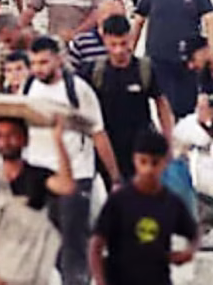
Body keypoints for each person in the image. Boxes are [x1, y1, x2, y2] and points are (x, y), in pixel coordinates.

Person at [23, 35, 122, 285]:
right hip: (41, 175)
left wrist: (114, 177)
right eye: (34, 63)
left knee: (73, 240)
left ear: (59, 59)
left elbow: (98, 134)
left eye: (44, 62)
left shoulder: (78, 90)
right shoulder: (29, 87)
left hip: (77, 174)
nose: (38, 69)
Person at [0, 117, 76, 285]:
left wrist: (58, 141)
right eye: (0, 136)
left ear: (25, 140)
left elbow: (67, 186)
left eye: (12, 135)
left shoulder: (37, 177)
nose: (6, 141)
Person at [90, 132, 199, 285]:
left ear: (165, 162)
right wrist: (101, 281)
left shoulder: (171, 202)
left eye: (155, 163)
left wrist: (188, 252)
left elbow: (193, 232)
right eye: (143, 161)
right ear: (135, 160)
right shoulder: (119, 201)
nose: (148, 169)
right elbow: (96, 245)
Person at [84, 15, 175, 182]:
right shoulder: (94, 71)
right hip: (107, 149)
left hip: (140, 148)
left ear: (130, 39)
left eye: (123, 43)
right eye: (113, 44)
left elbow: (162, 105)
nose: (119, 50)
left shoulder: (145, 69)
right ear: (104, 40)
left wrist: (168, 141)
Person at [132, 0, 213, 119]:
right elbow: (138, 21)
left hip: (189, 62)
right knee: (164, 108)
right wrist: (131, 52)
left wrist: (210, 50)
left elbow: (209, 19)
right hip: (158, 60)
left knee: (187, 110)